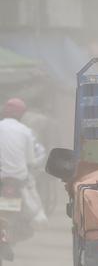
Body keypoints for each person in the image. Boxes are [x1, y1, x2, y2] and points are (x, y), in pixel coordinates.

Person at [0, 97, 47, 232]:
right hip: (19, 178)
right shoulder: (26, 131)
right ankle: (36, 220)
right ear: (21, 114)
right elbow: (31, 160)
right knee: (33, 197)